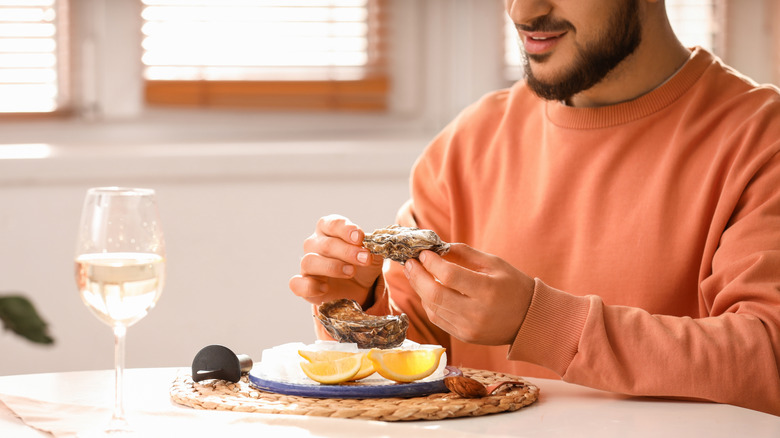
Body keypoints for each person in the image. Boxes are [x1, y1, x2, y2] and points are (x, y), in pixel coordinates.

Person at [289, 0, 780, 416]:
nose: (524, 11)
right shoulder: (466, 145)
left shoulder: (761, 140)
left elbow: (768, 356)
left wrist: (538, 321)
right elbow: (414, 368)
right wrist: (358, 306)